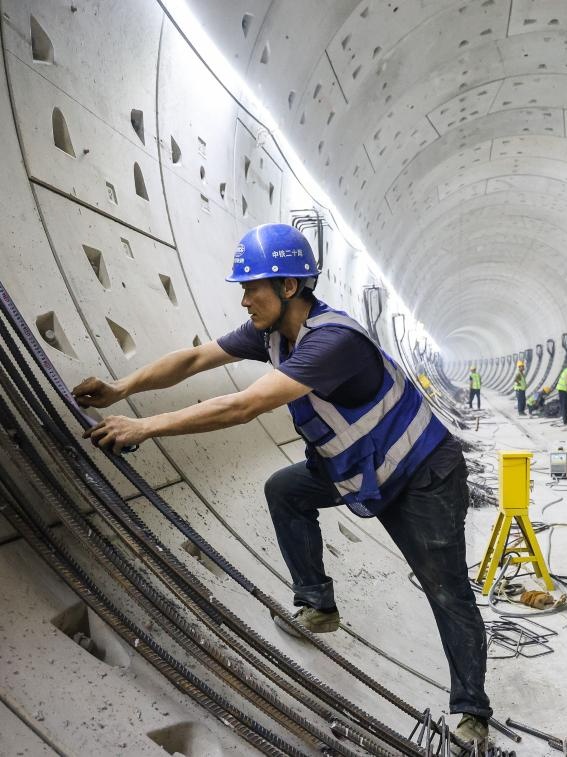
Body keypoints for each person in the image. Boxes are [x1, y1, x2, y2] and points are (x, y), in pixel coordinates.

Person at [71, 224, 492, 748]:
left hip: (421, 473)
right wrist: (121, 388)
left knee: (445, 590)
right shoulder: (272, 333)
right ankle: (319, 605)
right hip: (357, 467)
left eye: (253, 288)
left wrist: (146, 426)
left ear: (290, 288)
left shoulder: (332, 341)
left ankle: (472, 712)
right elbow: (196, 357)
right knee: (286, 490)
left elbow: (244, 405)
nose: (244, 300)